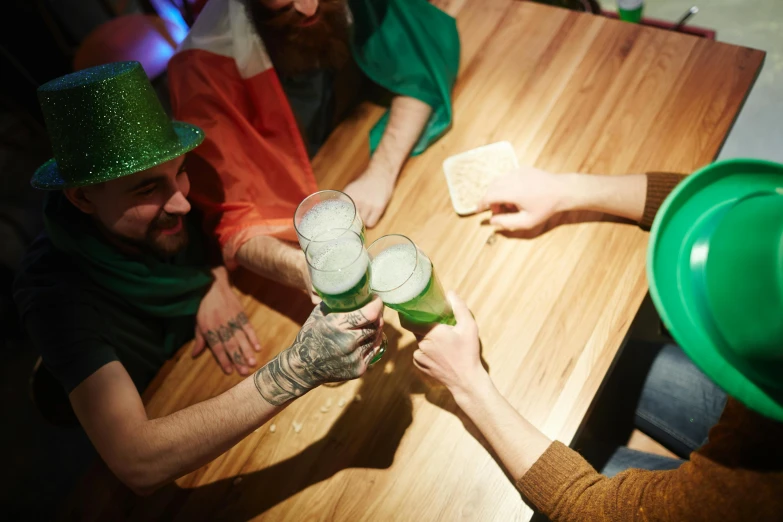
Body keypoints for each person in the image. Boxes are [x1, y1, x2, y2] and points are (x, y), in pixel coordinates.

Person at [14, 62, 384, 494]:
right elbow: (137, 460)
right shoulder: (52, 293)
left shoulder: (171, 200)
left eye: (180, 172)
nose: (182, 204)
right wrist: (298, 368)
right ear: (81, 198)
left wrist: (225, 274)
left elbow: (227, 226)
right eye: (147, 190)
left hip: (217, 376)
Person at [406, 163, 783, 519]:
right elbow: (710, 210)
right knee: (625, 362)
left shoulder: (754, 496)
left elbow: (592, 507)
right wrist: (565, 189)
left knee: (577, 459)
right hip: (763, 428)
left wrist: (466, 382)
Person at [166, 0, 459, 300]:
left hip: (350, 162)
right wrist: (306, 270)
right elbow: (235, 224)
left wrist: (381, 172)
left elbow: (417, 66)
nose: (307, 7)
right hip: (295, 246)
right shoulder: (203, 68)